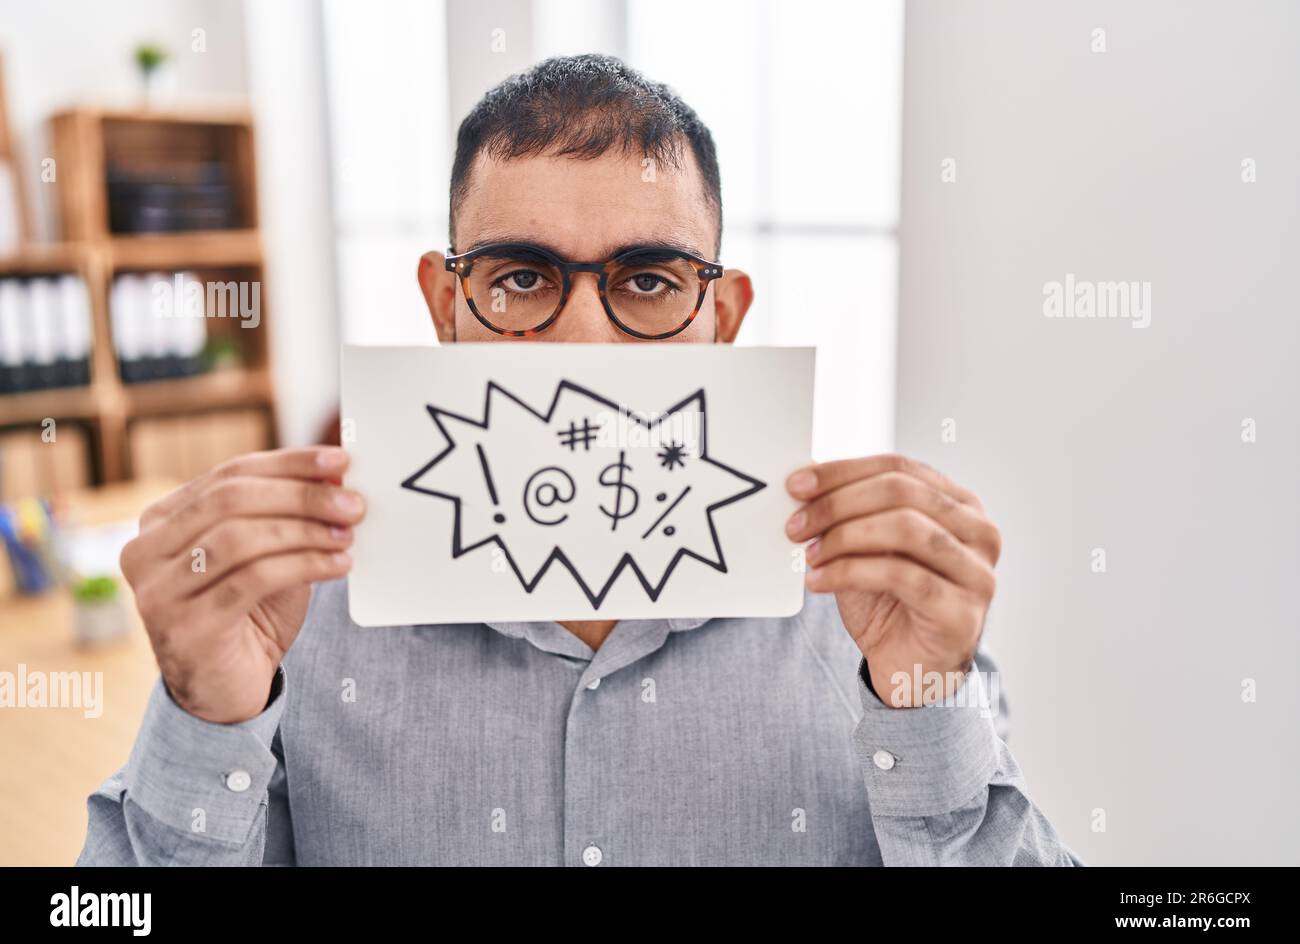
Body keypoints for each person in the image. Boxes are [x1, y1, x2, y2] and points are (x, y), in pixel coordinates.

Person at [79, 54, 1080, 866]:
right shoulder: (296, 614)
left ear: (722, 319)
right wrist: (206, 717)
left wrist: (924, 708)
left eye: (649, 278)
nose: (585, 344)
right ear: (445, 306)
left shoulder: (869, 613)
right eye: (521, 276)